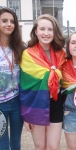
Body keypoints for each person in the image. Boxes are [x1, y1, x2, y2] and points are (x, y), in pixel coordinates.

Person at [19, 14, 66, 150]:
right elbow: (25, 87)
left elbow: (66, 79)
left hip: (55, 103)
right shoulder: (27, 54)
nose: (46, 33)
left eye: (50, 29)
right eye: (42, 29)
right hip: (35, 104)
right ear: (36, 31)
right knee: (40, 146)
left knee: (53, 146)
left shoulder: (61, 54)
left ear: (54, 32)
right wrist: (26, 115)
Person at [0, 7, 24, 150]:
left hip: (17, 102)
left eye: (12, 21)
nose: (9, 24)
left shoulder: (21, 48)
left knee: (15, 143)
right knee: (2, 145)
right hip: (0, 104)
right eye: (4, 21)